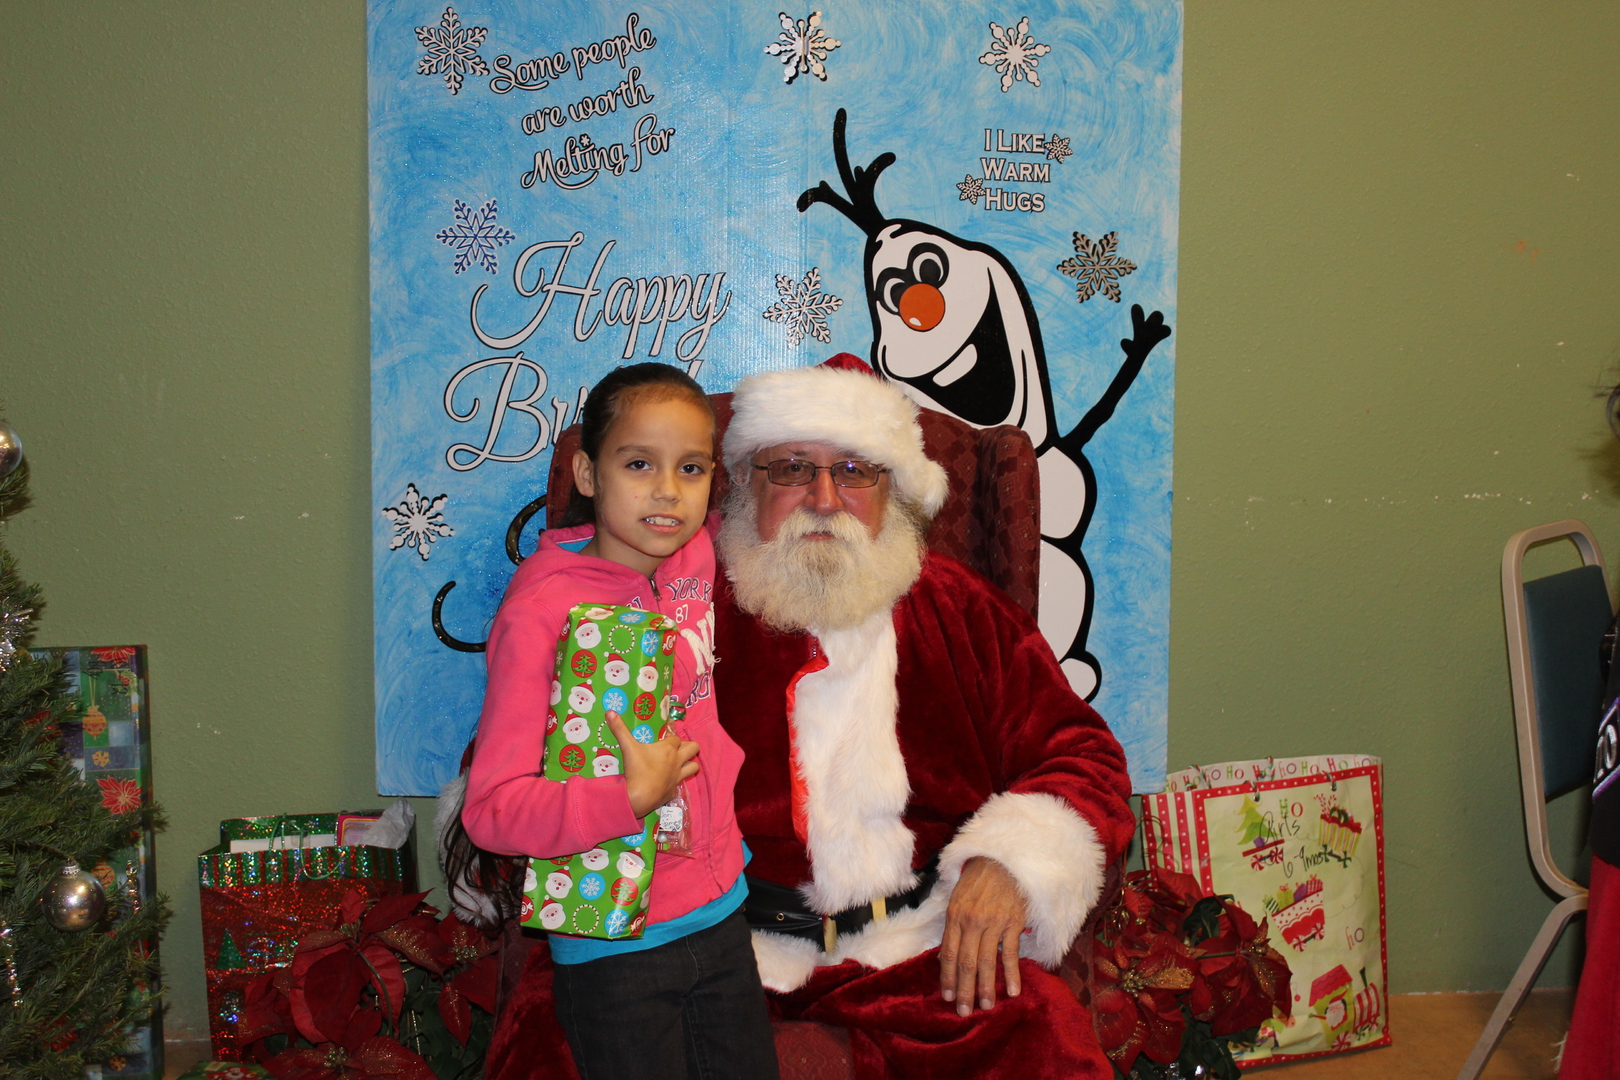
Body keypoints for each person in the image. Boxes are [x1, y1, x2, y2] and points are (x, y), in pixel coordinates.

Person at [712, 356, 1136, 1079]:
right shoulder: (680, 608)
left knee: (1047, 1043)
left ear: (893, 491)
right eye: (792, 468)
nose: (824, 498)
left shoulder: (959, 608)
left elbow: (1082, 756)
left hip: (920, 947)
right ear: (748, 484)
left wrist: (1009, 863)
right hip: (714, 952)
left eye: (854, 471)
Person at [460, 362, 779, 1080]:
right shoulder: (540, 613)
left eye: (690, 468)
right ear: (587, 473)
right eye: (638, 464)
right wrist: (626, 798)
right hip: (614, 945)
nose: (667, 490)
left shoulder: (693, 555)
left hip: (722, 912)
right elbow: (490, 812)